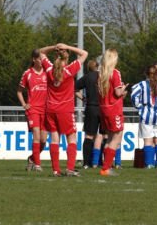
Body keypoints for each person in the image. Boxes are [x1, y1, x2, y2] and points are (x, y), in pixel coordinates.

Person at [41, 43, 88, 177]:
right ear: (66, 59)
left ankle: (56, 170)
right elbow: (84, 53)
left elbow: (41, 52)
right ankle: (70, 168)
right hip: (65, 110)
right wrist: (67, 46)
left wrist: (53, 46)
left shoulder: (50, 70)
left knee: (54, 138)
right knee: (71, 138)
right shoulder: (69, 70)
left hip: (50, 108)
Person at [97, 49, 128, 176]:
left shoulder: (100, 74)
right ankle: (105, 168)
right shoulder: (115, 73)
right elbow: (117, 93)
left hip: (104, 108)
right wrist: (124, 89)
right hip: (114, 109)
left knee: (109, 138)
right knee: (116, 138)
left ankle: (107, 166)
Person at [17, 49, 48, 172]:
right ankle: (38, 165)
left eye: (43, 59)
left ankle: (32, 158)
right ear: (34, 59)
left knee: (44, 140)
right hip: (33, 110)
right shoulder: (28, 74)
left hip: (46, 110)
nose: (42, 61)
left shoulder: (47, 73)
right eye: (40, 59)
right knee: (36, 136)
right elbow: (19, 91)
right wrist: (24, 104)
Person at [131, 65, 157, 169]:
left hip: (147, 115)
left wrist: (139, 107)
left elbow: (133, 95)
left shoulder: (142, 84)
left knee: (148, 140)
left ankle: (149, 164)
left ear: (146, 74)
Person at [75, 59, 104, 169]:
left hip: (91, 107)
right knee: (102, 135)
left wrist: (83, 98)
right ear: (97, 66)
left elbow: (74, 88)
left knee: (89, 136)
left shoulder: (87, 77)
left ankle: (86, 163)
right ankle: (100, 162)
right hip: (103, 108)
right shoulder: (104, 76)